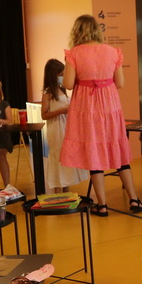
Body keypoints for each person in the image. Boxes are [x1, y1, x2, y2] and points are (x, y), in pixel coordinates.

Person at [61, 14, 142, 216]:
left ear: (77, 31)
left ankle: (102, 204)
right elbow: (120, 83)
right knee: (117, 148)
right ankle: (134, 199)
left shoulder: (74, 53)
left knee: (94, 153)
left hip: (87, 106)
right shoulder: (112, 51)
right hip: (109, 105)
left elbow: (68, 84)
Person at [40, 58, 87, 193]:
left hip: (66, 127)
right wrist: (61, 111)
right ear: (53, 75)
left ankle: (66, 190)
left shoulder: (62, 90)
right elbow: (44, 115)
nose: (62, 77)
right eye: (60, 74)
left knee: (66, 156)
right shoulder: (48, 93)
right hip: (56, 128)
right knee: (58, 157)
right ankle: (57, 192)